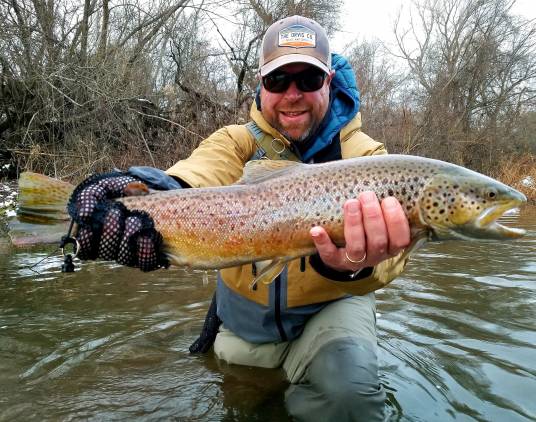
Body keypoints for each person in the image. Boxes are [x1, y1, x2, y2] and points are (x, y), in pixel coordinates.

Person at [68, 15, 411, 421]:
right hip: (246, 324)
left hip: (329, 316)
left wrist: (352, 265)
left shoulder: (369, 158)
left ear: (329, 81)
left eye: (308, 79)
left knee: (349, 399)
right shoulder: (236, 141)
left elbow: (393, 260)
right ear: (261, 84)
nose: (292, 95)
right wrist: (150, 188)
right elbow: (197, 174)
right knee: (243, 408)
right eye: (278, 80)